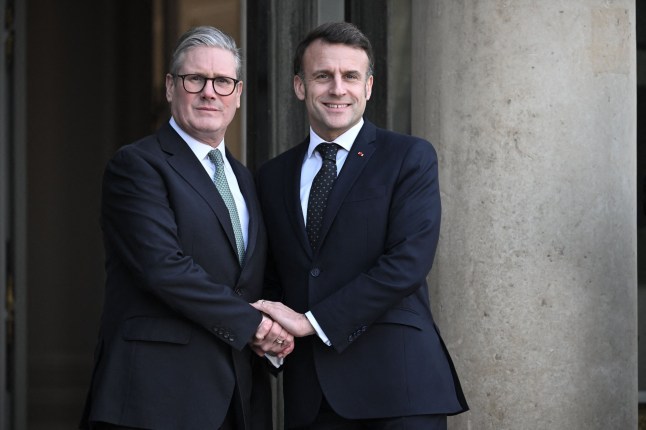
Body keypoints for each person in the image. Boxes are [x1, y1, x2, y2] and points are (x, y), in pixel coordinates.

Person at [253, 22, 469, 430]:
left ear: (368, 87)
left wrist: (311, 322)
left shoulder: (409, 157)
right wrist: (267, 331)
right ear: (300, 86)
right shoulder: (272, 176)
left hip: (398, 390)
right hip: (312, 396)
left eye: (350, 76)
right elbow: (273, 275)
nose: (338, 89)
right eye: (323, 76)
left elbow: (407, 263)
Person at [80, 26, 292, 430]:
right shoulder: (138, 166)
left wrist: (286, 325)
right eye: (195, 79)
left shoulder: (246, 180)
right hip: (156, 399)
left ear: (239, 93)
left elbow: (250, 280)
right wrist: (255, 327)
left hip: (238, 398)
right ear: (170, 87)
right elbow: (163, 267)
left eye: (223, 82)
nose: (209, 92)